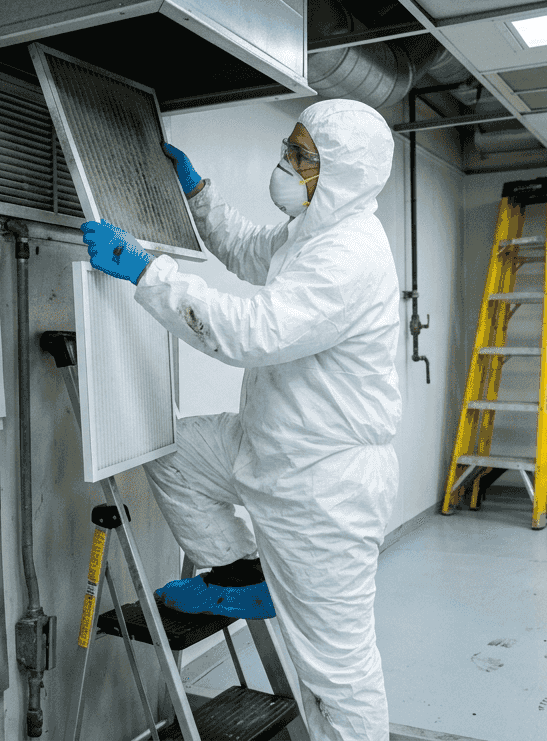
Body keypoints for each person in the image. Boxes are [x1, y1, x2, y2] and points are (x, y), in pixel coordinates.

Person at [80, 98, 401, 741]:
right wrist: (198, 197)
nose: (284, 164)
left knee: (339, 674)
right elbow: (253, 252)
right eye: (290, 146)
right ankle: (243, 573)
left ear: (341, 173)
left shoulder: (350, 255)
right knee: (169, 453)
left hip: (323, 487)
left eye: (301, 157)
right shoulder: (311, 232)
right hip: (268, 444)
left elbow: (252, 331)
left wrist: (148, 271)